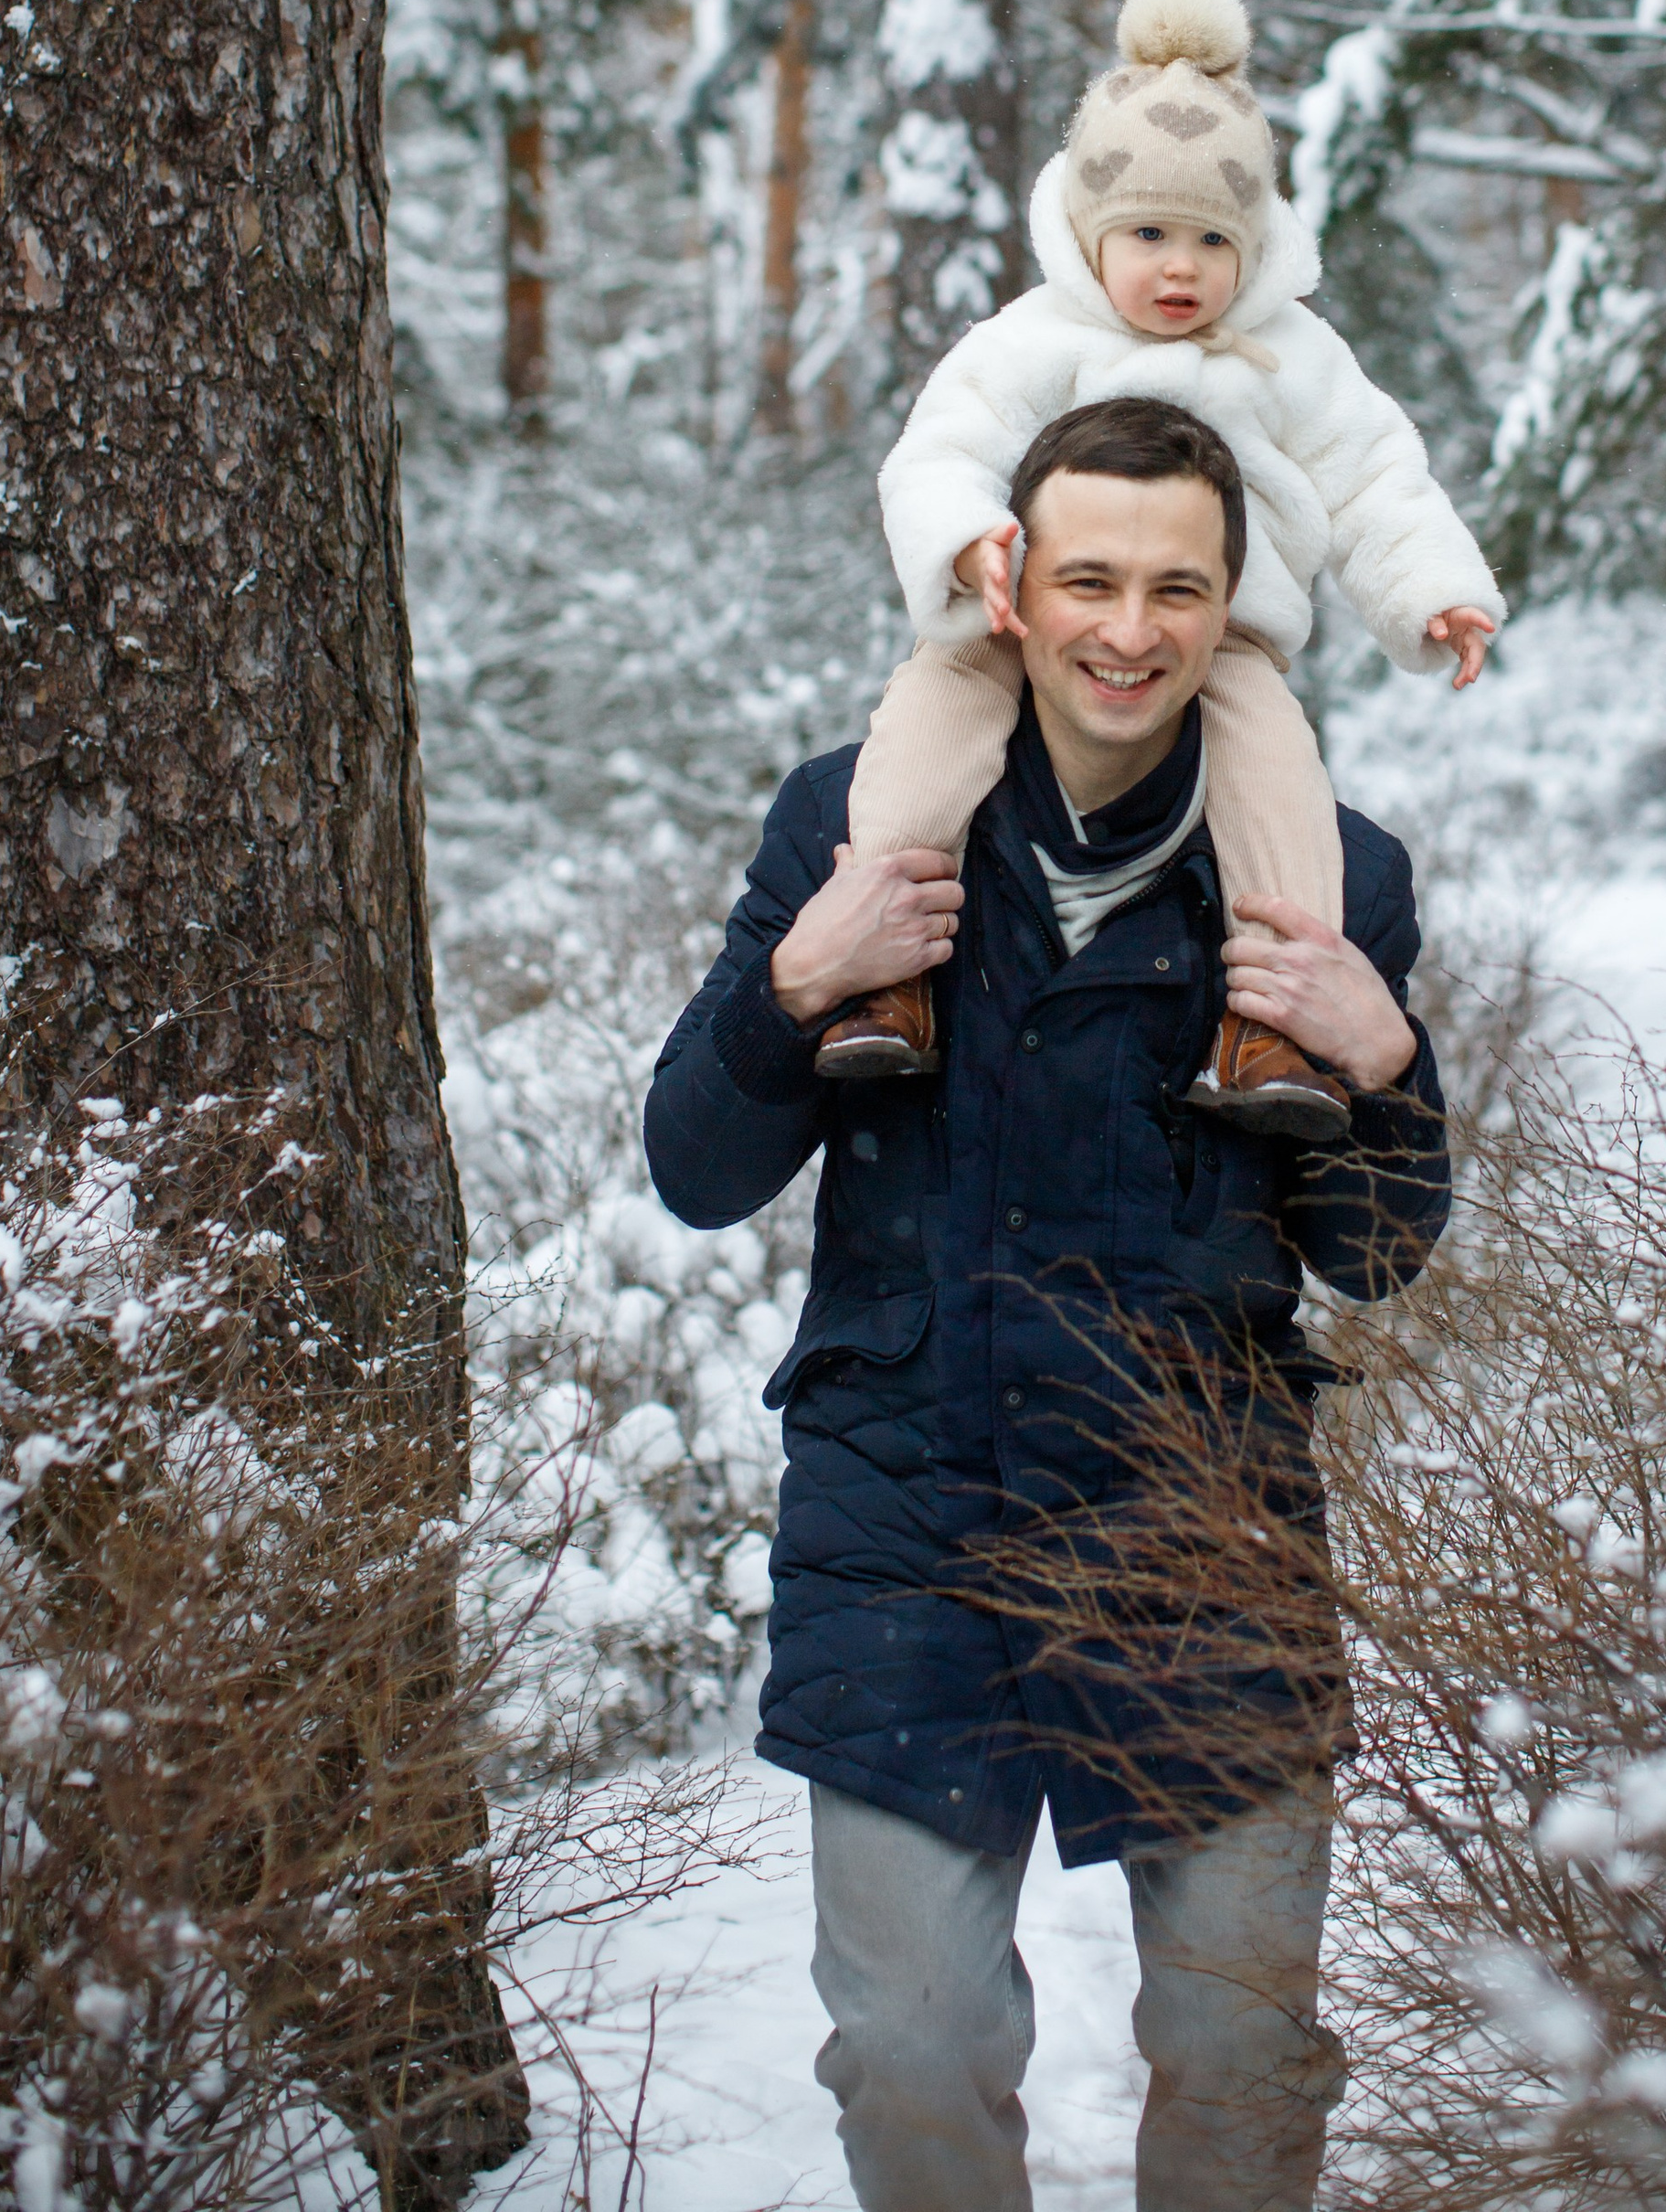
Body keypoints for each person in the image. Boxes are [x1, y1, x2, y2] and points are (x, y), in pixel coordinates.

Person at [643, 398, 1452, 2212]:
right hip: (902, 1519)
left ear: (1231, 606)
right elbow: (694, 1169)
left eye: (1177, 586)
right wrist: (797, 983)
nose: (1127, 627)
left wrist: (1381, 1058)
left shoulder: (1326, 872)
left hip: (1207, 1534)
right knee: (913, 2055)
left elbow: (1383, 1247)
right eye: (1086, 575)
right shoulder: (849, 818)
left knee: (1244, 2055)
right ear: (1009, 585)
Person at [816, 0, 1503, 1141]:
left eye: (1209, 239)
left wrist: (1431, 588)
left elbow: (1375, 472)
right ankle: (887, 963)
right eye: (1146, 233)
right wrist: (972, 538)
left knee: (1278, 778)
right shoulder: (1034, 337)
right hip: (1023, 613)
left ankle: (1274, 1018)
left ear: (1258, 243)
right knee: (924, 723)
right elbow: (936, 453)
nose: (1179, 269)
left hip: (1221, 638)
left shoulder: (1291, 354)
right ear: (1089, 232)